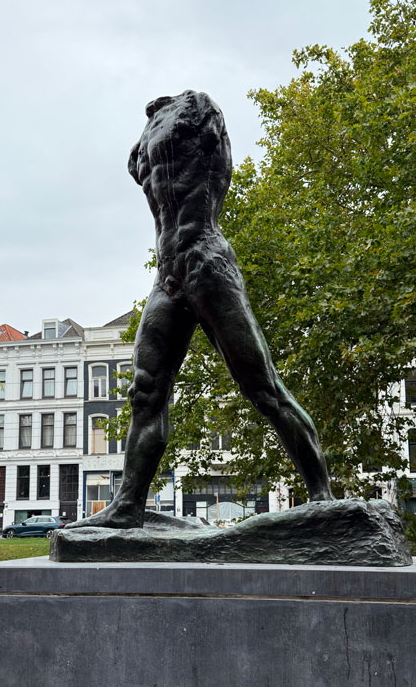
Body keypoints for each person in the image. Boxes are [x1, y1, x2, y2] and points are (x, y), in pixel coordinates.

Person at [68, 90, 332, 529]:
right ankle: (128, 504)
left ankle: (322, 493)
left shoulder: (198, 111)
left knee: (263, 388)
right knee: (145, 392)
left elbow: (196, 152)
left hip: (206, 261)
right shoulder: (151, 134)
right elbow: (137, 168)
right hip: (167, 273)